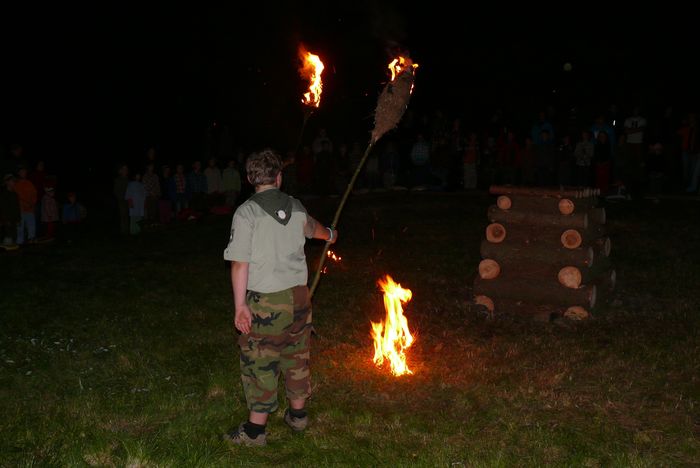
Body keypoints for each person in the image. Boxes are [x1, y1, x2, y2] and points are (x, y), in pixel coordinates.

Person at [222, 149, 337, 447]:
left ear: (250, 179)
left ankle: (255, 432)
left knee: (261, 359)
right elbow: (316, 229)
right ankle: (298, 415)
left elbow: (239, 263)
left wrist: (240, 306)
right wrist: (330, 234)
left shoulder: (247, 213)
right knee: (296, 353)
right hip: (299, 297)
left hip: (267, 301)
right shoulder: (296, 207)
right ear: (279, 177)